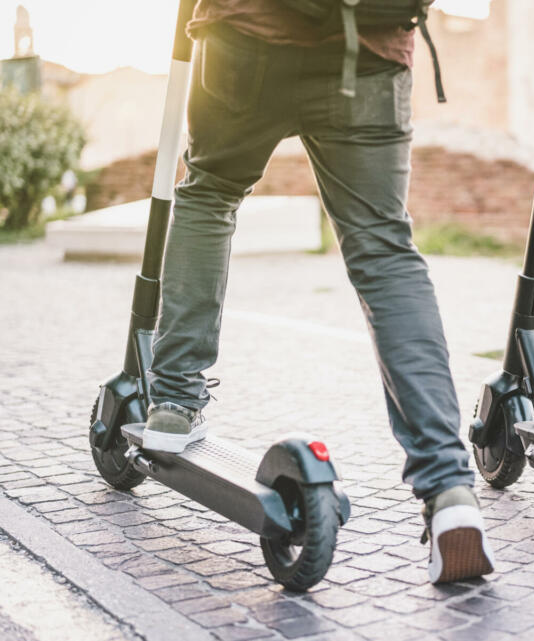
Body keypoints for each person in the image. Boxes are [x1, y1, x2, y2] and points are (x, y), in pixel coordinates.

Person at [142, 0, 494, 584]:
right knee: (384, 250)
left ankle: (174, 402)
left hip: (245, 38)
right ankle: (449, 488)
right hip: (371, 50)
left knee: (209, 193)